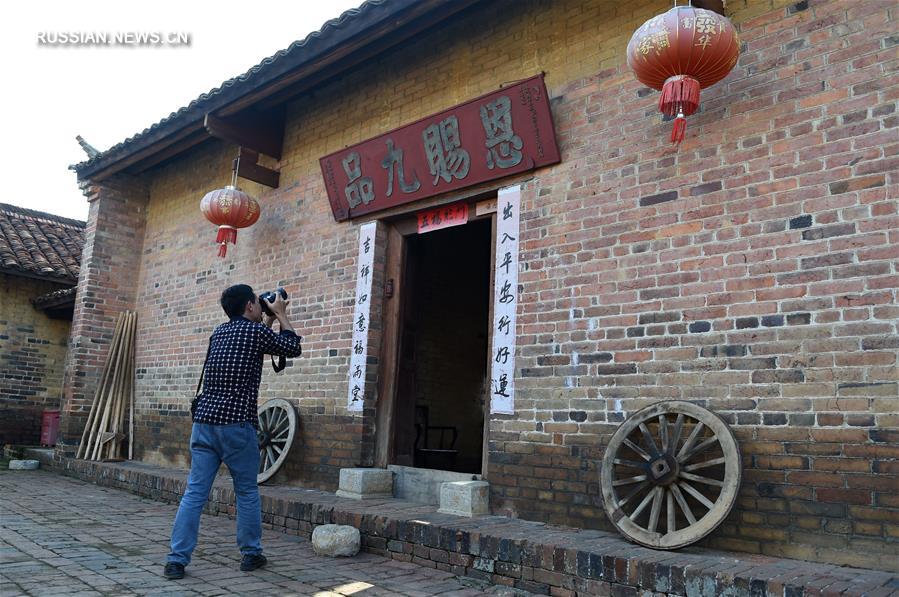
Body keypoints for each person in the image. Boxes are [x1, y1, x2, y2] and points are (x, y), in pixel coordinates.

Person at [164, 284, 302, 580]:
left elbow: (253, 348)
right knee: (247, 492)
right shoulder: (254, 334)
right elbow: (292, 347)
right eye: (257, 302)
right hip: (237, 427)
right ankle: (251, 554)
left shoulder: (219, 333)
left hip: (204, 424)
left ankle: (176, 560)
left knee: (194, 494)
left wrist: (267, 321)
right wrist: (280, 315)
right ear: (250, 306)